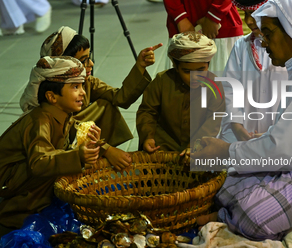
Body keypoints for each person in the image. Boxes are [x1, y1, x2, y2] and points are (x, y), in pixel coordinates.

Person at [192, 0, 292, 241]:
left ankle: (231, 217)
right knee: (223, 179)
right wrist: (250, 140)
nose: (264, 42)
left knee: (254, 215)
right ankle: (244, 208)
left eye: (269, 34)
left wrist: (226, 150)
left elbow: (281, 148)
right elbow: (284, 137)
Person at [30, 26, 162, 171]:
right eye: (83, 60)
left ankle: (93, 156)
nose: (91, 64)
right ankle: (90, 156)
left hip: (72, 142)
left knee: (106, 104)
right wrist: (106, 149)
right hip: (56, 151)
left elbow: (120, 98)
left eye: (89, 58)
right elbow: (40, 160)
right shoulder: (43, 110)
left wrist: (140, 66)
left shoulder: (88, 82)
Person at [0, 56, 101, 237]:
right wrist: (77, 156)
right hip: (8, 183)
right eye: (75, 87)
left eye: (82, 86)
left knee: (61, 160)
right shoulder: (40, 120)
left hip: (22, 175)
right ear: (52, 96)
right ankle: (16, 216)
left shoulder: (63, 115)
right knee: (52, 163)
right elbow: (39, 162)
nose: (83, 93)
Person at [136, 31, 225, 156]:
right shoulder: (162, 81)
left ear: (208, 65)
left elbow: (213, 122)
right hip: (163, 145)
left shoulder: (215, 86)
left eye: (201, 70)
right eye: (187, 72)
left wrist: (195, 144)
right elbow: (147, 112)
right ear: (175, 66)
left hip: (199, 146)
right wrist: (148, 136)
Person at [219, 0, 287, 143]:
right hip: (244, 132)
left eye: (255, 14)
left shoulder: (289, 48)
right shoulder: (241, 46)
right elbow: (230, 88)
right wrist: (236, 125)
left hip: (283, 134)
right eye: (246, 14)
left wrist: (276, 132)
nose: (249, 21)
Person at [162, 0, 244, 73]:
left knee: (226, 83)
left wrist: (214, 16)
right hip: (183, 23)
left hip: (221, 23)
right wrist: (179, 17)